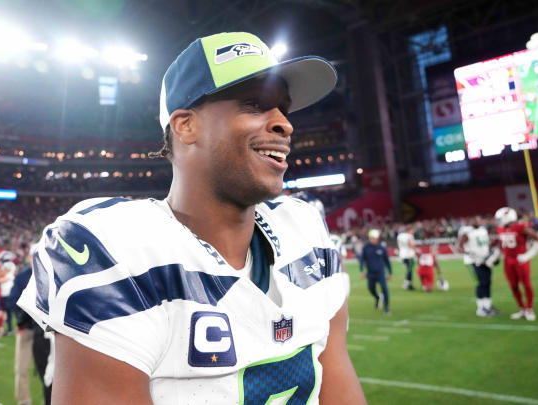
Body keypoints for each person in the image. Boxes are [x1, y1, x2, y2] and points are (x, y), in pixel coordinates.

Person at [18, 32, 365, 404]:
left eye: (284, 108)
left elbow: (337, 379)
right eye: (255, 105)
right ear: (185, 125)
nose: (285, 124)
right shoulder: (117, 247)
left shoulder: (306, 228)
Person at [9, 244, 52, 405]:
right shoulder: (22, 276)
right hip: (27, 328)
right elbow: (13, 301)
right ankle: (24, 401)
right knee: (22, 368)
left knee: (50, 369)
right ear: (29, 258)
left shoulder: (50, 272)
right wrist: (21, 319)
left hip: (46, 331)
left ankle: (49, 400)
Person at [494, 207, 538, 321]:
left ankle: (529, 309)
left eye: (500, 218)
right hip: (507, 260)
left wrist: (528, 255)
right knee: (513, 286)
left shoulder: (521, 227)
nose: (499, 221)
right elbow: (502, 244)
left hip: (520, 260)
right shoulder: (500, 228)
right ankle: (522, 308)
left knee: (526, 285)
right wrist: (495, 255)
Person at [459, 216, 500, 317]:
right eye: (474, 220)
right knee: (481, 283)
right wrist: (471, 253)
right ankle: (481, 308)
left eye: (478, 220)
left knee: (488, 282)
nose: (477, 222)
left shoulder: (483, 230)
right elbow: (460, 246)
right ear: (471, 221)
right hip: (474, 261)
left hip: (485, 259)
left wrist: (491, 252)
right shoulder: (467, 232)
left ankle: (488, 306)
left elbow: (486, 244)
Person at [360, 229, 393, 314]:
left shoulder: (381, 248)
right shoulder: (365, 247)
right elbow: (362, 259)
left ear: (377, 238)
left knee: (385, 289)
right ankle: (378, 298)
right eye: (371, 238)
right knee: (371, 288)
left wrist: (390, 272)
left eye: (374, 238)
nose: (372, 239)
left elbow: (387, 261)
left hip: (380, 273)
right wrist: (361, 271)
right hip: (370, 273)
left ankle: (386, 308)